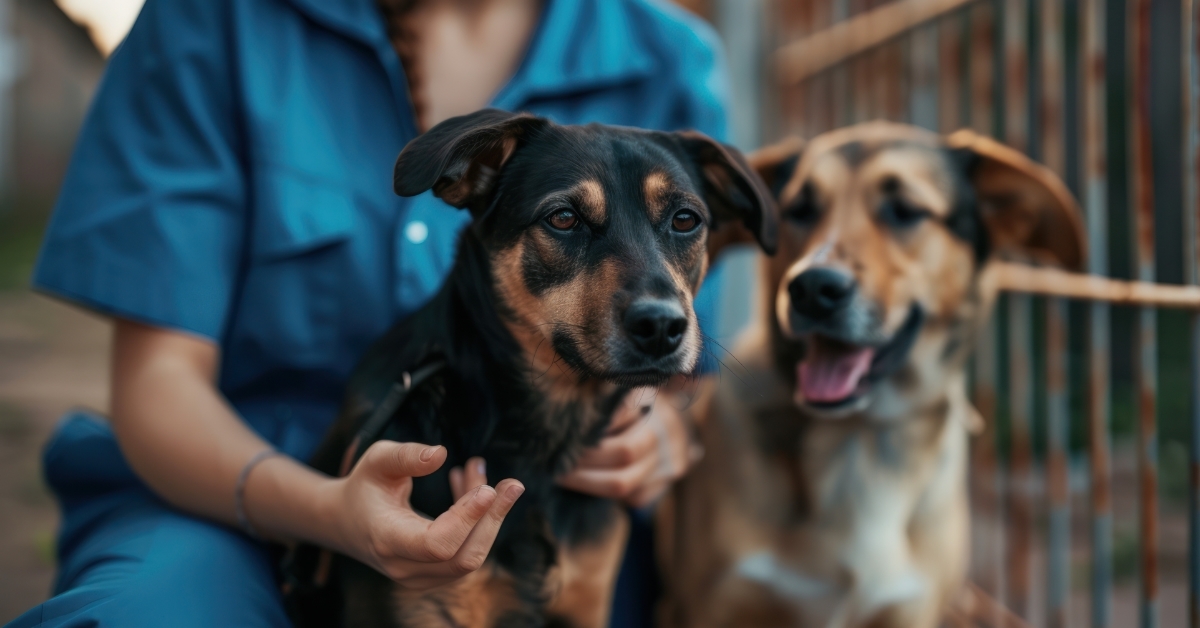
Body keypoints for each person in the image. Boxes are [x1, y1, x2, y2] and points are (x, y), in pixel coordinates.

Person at [8, 0, 732, 626]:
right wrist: (326, 512)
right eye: (570, 221)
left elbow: (689, 365)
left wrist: (666, 432)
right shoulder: (215, 21)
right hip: (225, 488)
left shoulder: (667, 55)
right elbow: (156, 383)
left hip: (562, 501)